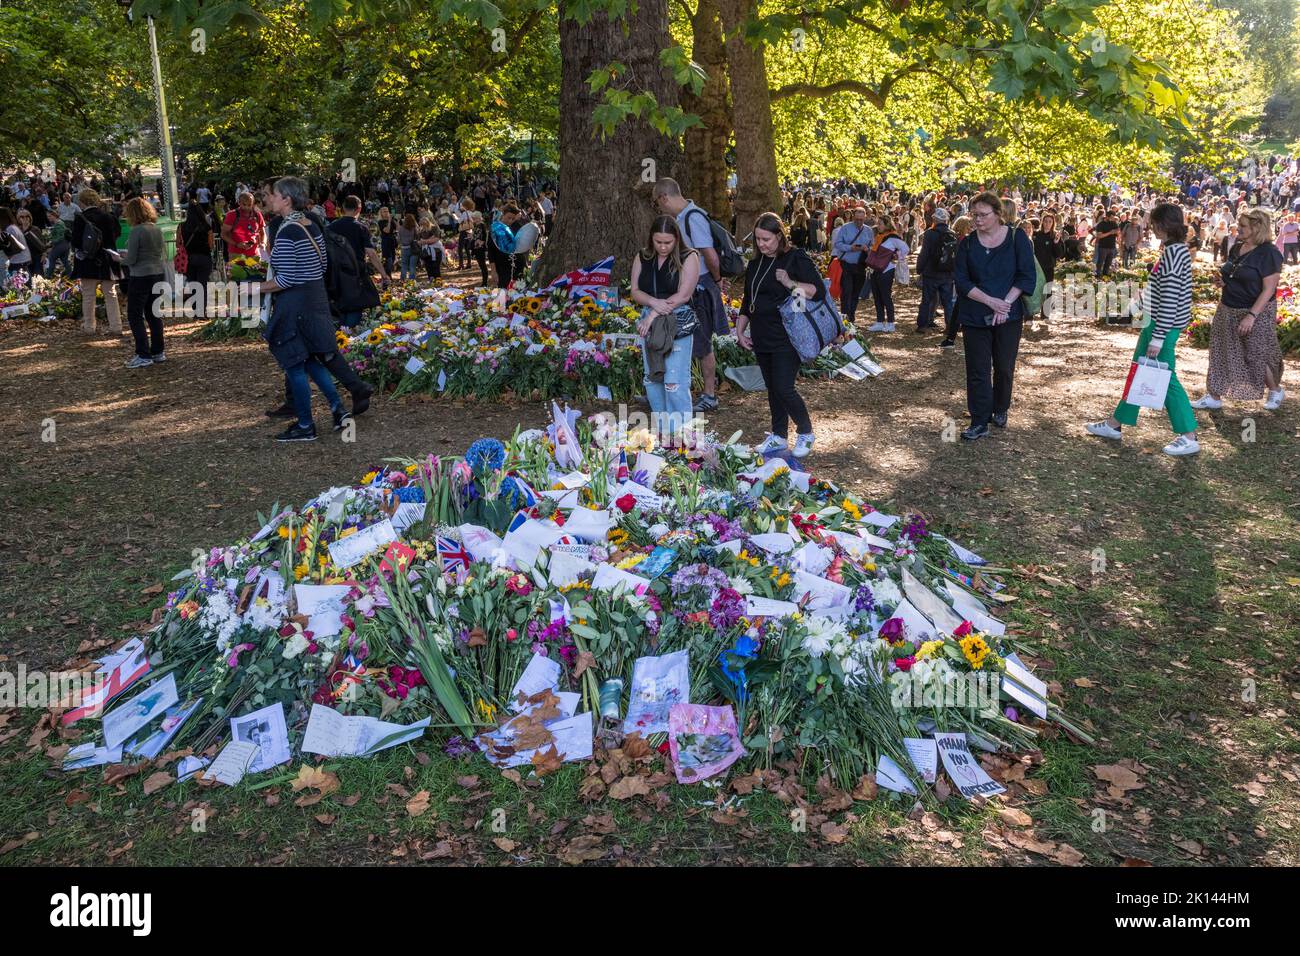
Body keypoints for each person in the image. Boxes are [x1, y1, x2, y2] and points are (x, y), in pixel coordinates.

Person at [1085, 203, 1201, 455]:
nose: (1149, 226)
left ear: (1163, 224)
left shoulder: (1174, 253)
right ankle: (1115, 425)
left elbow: (1171, 298)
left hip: (1162, 327)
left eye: (1153, 222)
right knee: (1141, 372)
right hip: (1156, 323)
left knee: (1166, 378)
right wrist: (1135, 306)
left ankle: (1189, 435)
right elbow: (1160, 290)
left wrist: (1158, 337)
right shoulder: (1174, 250)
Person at [256, 177, 354, 442]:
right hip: (315, 300)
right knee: (310, 360)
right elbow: (321, 267)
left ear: (286, 199)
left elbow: (285, 279)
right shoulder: (310, 224)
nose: (268, 199)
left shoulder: (287, 231)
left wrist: (254, 289)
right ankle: (338, 410)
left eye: (273, 194)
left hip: (295, 306)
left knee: (294, 365)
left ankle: (305, 425)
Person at [734, 213, 826, 458]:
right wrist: (740, 329)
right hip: (762, 335)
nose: (762, 244)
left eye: (766, 239)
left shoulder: (794, 258)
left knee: (784, 387)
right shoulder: (755, 264)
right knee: (773, 388)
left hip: (788, 335)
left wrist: (789, 282)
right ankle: (778, 435)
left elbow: (816, 292)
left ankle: (805, 431)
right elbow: (748, 301)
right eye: (758, 240)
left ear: (779, 235)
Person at [954, 191, 1037, 441]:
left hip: (1008, 315)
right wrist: (991, 302)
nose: (977, 219)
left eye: (982, 215)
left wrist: (1005, 304)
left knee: (1003, 366)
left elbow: (1026, 275)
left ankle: (1000, 408)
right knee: (978, 369)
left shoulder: (1016, 238)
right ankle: (979, 420)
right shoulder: (967, 244)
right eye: (974, 214)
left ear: (997, 214)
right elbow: (962, 281)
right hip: (975, 314)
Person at [1190, 208, 1285, 411]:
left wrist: (1251, 316)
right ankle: (1214, 395)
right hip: (1228, 307)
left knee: (1256, 353)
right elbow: (1232, 273)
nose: (1237, 228)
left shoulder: (1270, 253)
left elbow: (1269, 289)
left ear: (1257, 227)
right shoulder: (1238, 247)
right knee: (1220, 350)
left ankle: (1275, 390)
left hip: (1256, 311)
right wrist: (1222, 281)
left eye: (1243, 226)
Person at [652, 178, 727, 414]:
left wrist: (716, 280)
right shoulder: (683, 218)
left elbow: (710, 255)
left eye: (659, 203)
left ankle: (709, 395)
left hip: (702, 288)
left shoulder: (693, 217)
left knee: (703, 342)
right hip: (690, 287)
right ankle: (670, 389)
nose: (660, 208)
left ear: (664, 197)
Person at [628, 216, 701, 443]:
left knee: (674, 382)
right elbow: (635, 290)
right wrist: (652, 303)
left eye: (667, 242)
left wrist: (653, 313)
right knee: (653, 379)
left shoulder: (690, 257)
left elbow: (684, 295)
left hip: (676, 321)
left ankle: (682, 437)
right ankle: (663, 434)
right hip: (648, 321)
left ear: (676, 239)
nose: (662, 247)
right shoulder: (643, 256)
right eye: (658, 241)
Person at [121, 197, 167, 368]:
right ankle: (158, 351)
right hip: (157, 273)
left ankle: (143, 353)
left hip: (140, 275)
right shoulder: (156, 229)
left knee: (134, 314)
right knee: (154, 314)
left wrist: (119, 258)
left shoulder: (136, 231)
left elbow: (131, 258)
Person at [329, 195, 388, 327]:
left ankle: (341, 336)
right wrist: (384, 274)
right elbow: (371, 254)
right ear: (359, 208)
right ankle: (347, 336)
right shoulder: (360, 228)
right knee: (356, 304)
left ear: (343, 208)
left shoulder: (331, 227)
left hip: (336, 272)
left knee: (341, 304)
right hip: (356, 272)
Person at [70, 188, 123, 335]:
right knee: (111, 295)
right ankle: (116, 326)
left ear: (82, 201)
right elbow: (117, 234)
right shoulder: (108, 216)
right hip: (107, 259)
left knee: (88, 296)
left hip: (87, 261)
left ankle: (89, 327)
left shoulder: (80, 218)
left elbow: (75, 241)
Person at [916, 207, 957, 337]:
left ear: (934, 219)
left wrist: (919, 268)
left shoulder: (929, 234)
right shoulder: (952, 234)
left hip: (931, 272)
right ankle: (950, 326)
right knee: (948, 302)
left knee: (926, 300)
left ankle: (923, 325)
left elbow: (924, 253)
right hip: (947, 274)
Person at [865, 215, 908, 333]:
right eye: (878, 223)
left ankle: (890, 323)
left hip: (887, 270)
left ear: (887, 224)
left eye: (880, 224)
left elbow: (905, 249)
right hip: (875, 269)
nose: (878, 226)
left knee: (886, 297)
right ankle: (879, 322)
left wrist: (896, 256)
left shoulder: (893, 237)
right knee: (877, 297)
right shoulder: (878, 237)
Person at [832, 207, 873, 326]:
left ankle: (852, 315)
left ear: (865, 217)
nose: (859, 221)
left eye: (861, 219)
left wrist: (867, 249)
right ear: (853, 217)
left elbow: (872, 246)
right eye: (857, 219)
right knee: (847, 291)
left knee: (856, 292)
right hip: (846, 265)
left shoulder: (868, 230)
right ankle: (845, 317)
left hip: (861, 265)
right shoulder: (845, 228)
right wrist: (851, 248)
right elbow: (837, 244)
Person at [179, 200, 213, 317]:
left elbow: (179, 243)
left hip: (189, 259)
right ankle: (201, 311)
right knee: (202, 285)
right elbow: (211, 244)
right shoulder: (206, 226)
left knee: (193, 284)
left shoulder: (182, 226)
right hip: (204, 257)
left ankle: (194, 310)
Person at [1032, 212, 1064, 323]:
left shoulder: (1055, 236)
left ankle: (1045, 315)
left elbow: (1059, 254)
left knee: (1048, 290)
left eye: (1050, 221)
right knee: (1033, 290)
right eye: (1045, 221)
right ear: (1042, 222)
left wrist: (1056, 243)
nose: (1047, 223)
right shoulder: (1036, 234)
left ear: (1053, 223)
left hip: (1048, 267)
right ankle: (1029, 315)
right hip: (1035, 267)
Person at [222, 191, 266, 261]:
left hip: (254, 254)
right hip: (236, 255)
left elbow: (263, 233)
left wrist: (263, 243)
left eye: (249, 205)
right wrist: (237, 244)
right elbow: (223, 234)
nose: (247, 207)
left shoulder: (257, 214)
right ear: (239, 203)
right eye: (244, 204)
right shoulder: (231, 215)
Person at [489, 203, 523, 288]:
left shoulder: (516, 226)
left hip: (516, 266)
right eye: (509, 217)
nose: (510, 221)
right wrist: (493, 271)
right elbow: (491, 252)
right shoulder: (494, 228)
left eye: (513, 218)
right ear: (503, 214)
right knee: (503, 293)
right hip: (501, 267)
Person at [1091, 206, 1119, 277]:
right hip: (1103, 246)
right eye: (1112, 217)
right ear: (1107, 216)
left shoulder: (1114, 223)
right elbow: (1099, 236)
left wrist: (1117, 232)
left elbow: (1118, 232)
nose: (1113, 219)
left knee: (1108, 262)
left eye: (1113, 217)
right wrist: (1110, 232)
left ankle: (1105, 274)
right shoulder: (1101, 224)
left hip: (1112, 246)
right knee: (1100, 262)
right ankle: (1098, 274)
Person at [377, 206, 398, 278]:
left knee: (392, 260)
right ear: (381, 213)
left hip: (392, 242)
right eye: (384, 211)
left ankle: (387, 276)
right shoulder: (381, 222)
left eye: (387, 211)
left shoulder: (391, 220)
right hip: (386, 243)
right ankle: (387, 277)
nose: (386, 213)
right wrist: (389, 221)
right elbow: (387, 230)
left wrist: (396, 220)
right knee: (388, 261)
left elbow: (398, 228)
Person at [398, 213, 420, 281]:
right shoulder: (413, 228)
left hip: (404, 248)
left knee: (404, 265)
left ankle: (403, 279)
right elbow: (417, 236)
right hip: (413, 248)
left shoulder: (400, 228)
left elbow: (399, 239)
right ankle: (412, 280)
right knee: (412, 266)